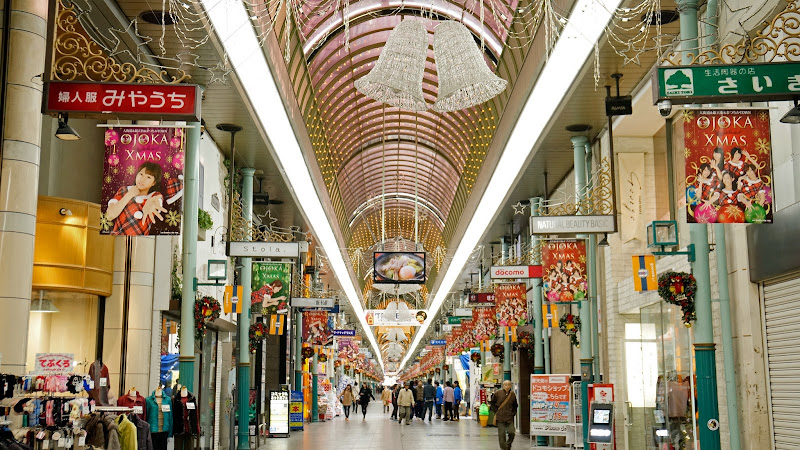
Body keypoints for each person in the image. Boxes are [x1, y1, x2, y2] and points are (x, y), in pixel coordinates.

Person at [106, 161, 167, 235]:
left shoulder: (154, 196)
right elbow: (109, 216)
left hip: (141, 242)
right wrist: (129, 195)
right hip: (116, 239)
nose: (142, 179)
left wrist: (150, 206)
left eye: (148, 177)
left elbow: (156, 202)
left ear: (154, 183)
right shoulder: (124, 190)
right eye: (141, 174)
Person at [490, 380, 519, 450]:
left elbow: (515, 405)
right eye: (505, 385)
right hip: (500, 417)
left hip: (509, 417)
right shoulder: (498, 393)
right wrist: (496, 412)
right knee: (501, 434)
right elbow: (492, 403)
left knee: (512, 432)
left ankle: (508, 444)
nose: (507, 386)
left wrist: (513, 413)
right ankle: (504, 448)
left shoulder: (512, 395)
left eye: (509, 385)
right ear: (503, 386)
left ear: (511, 386)